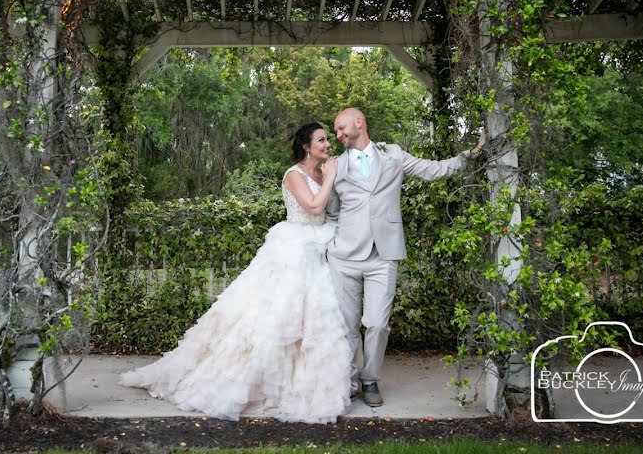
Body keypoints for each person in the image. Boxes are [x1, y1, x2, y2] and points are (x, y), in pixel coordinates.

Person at [120, 122, 352, 423]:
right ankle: (249, 382)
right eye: (321, 140)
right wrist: (332, 177)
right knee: (278, 316)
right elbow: (313, 208)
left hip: (320, 247)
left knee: (316, 319)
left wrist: (331, 178)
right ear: (307, 146)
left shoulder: (323, 172)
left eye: (327, 139)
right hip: (293, 249)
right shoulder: (294, 174)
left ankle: (304, 381)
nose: (327, 144)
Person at [326, 108, 486, 407]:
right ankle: (347, 382)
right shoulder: (335, 166)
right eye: (335, 132)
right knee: (346, 325)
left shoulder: (393, 154)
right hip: (344, 257)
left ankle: (370, 379)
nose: (338, 135)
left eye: (340, 128)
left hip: (383, 255)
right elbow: (332, 210)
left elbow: (433, 170)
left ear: (359, 122)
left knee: (376, 322)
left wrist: (473, 153)